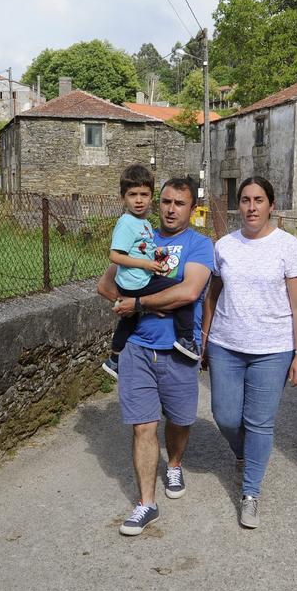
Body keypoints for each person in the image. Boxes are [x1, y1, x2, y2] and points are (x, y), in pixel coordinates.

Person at [97, 176, 213, 536]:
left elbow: (189, 291)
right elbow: (105, 285)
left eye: (179, 203)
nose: (170, 209)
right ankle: (146, 503)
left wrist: (139, 303)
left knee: (179, 420)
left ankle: (174, 463)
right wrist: (131, 305)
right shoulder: (140, 235)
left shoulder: (199, 244)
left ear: (192, 209)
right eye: (165, 201)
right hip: (139, 349)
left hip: (179, 350)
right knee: (143, 426)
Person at [201, 176, 297, 529]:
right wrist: (203, 337)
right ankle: (246, 455)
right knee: (226, 415)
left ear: (271, 205)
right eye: (245, 200)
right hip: (226, 345)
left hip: (273, 350)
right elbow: (212, 296)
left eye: (258, 200)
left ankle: (250, 494)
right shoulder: (224, 247)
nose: (251, 207)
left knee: (259, 423)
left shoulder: (288, 247)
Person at [103, 165, 201, 381]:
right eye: (133, 195)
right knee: (177, 290)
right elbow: (112, 263)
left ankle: (114, 358)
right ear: (123, 198)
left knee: (129, 318)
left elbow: (143, 248)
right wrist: (141, 301)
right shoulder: (128, 223)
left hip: (139, 284)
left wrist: (139, 304)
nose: (139, 200)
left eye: (144, 195)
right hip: (138, 285)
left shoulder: (145, 224)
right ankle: (186, 339)